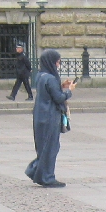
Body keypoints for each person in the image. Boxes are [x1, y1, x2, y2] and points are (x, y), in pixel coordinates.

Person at [25, 49, 74, 187]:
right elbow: (58, 98)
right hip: (50, 116)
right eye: (57, 61)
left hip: (40, 115)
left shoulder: (40, 75)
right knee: (51, 147)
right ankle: (46, 177)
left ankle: (37, 172)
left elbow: (49, 90)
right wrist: (69, 91)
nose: (58, 64)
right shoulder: (51, 78)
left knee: (43, 147)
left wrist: (61, 86)